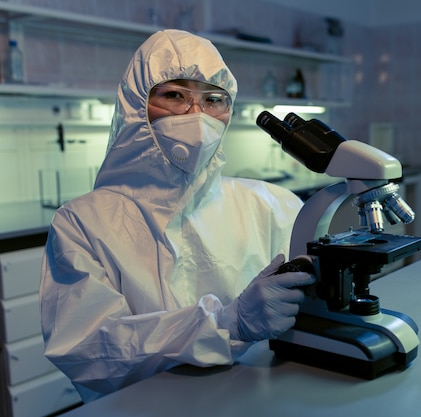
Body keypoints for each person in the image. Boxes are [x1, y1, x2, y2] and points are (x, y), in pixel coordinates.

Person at [40, 29, 314, 403]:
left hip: (255, 400)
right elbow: (87, 350)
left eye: (213, 99)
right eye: (175, 95)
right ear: (137, 104)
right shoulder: (82, 223)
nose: (197, 116)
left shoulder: (272, 205)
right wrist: (227, 323)